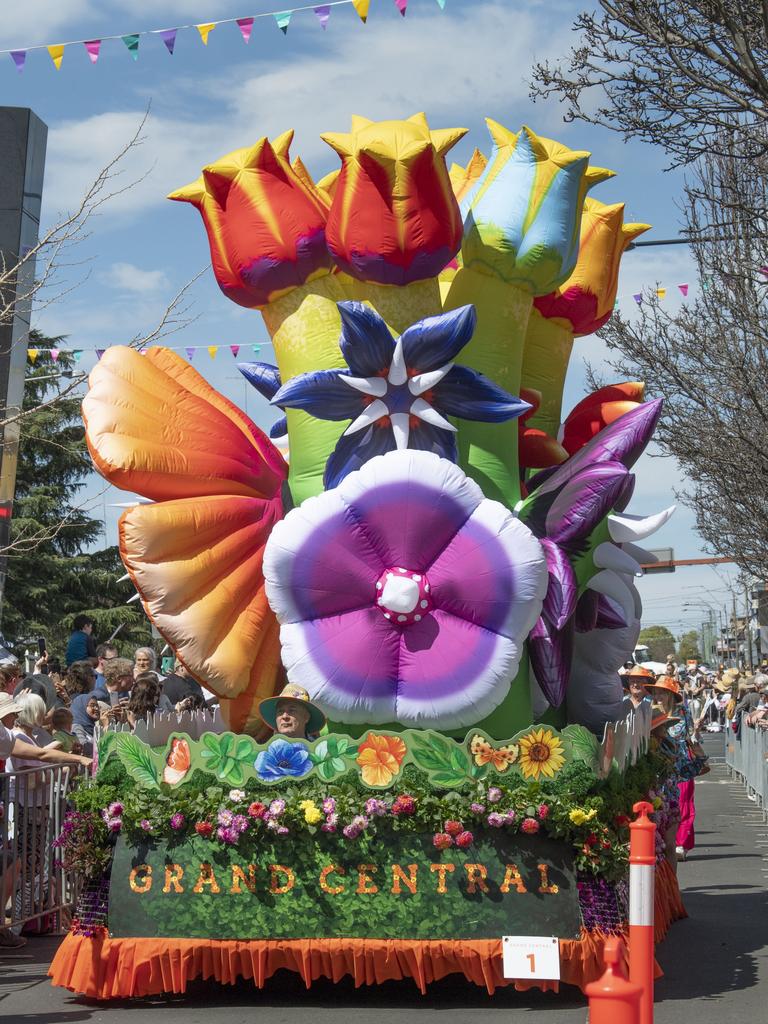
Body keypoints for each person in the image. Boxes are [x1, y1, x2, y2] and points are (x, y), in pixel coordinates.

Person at [646, 674, 707, 860]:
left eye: (662, 693)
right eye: (656, 693)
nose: (658, 697)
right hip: (656, 778)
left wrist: (698, 754)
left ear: (671, 696)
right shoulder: (649, 714)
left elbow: (689, 736)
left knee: (683, 806)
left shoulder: (682, 713)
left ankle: (681, 845)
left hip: (678, 764)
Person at [258, 683, 326, 740]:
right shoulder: (266, 753)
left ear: (306, 717)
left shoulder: (318, 753)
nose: (284, 716)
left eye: (292, 711)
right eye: (280, 711)